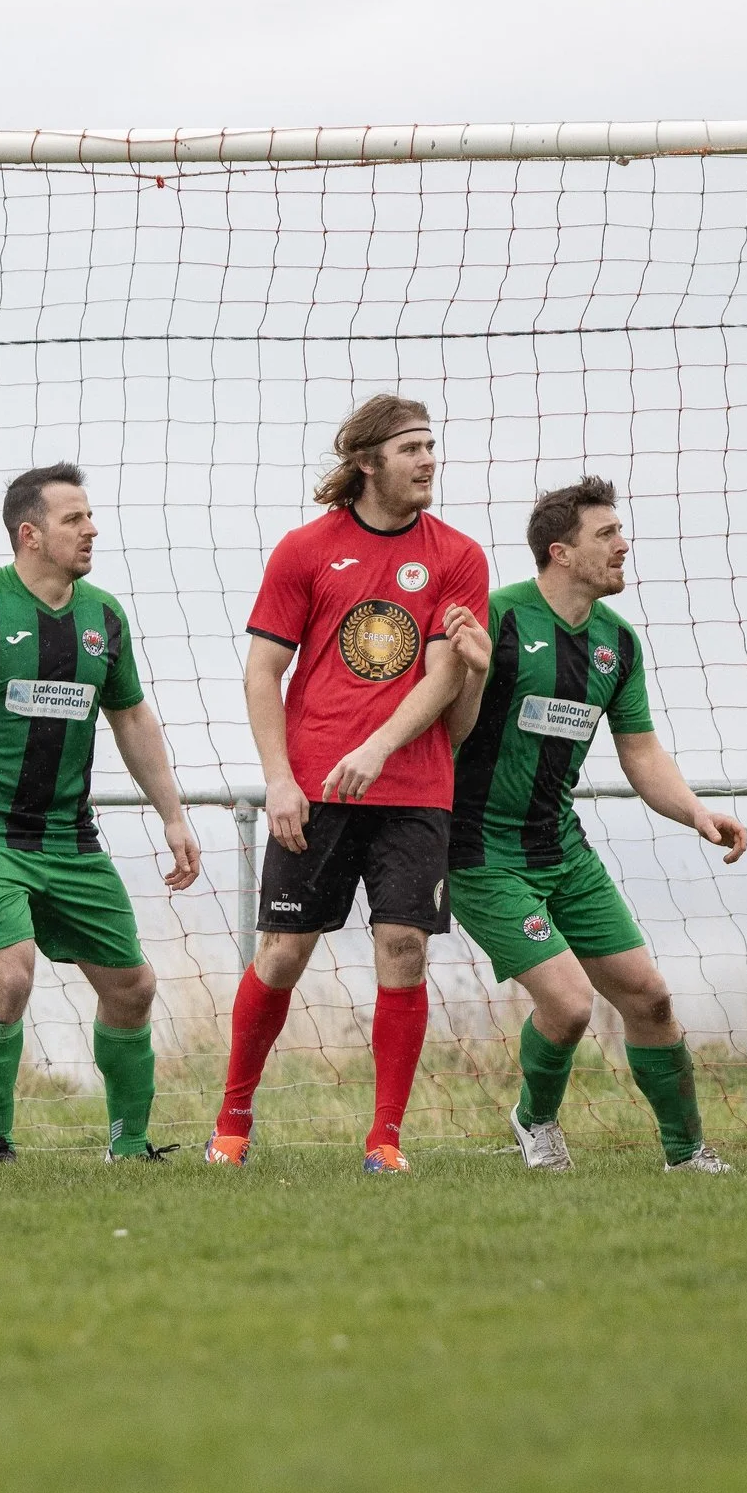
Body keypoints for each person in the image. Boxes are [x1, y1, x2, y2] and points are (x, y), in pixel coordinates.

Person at [0, 462, 201, 1164]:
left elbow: (132, 718)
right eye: (72, 519)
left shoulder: (104, 617)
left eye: (89, 516)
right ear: (30, 534)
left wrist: (173, 815)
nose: (90, 529)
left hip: (68, 837)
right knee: (12, 971)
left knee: (134, 987)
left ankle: (130, 1145)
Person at [207, 394, 490, 1173]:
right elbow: (264, 672)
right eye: (411, 448)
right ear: (368, 461)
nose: (428, 460)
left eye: (432, 445)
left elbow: (443, 675)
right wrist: (280, 780)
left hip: (415, 789)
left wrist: (379, 747)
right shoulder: (305, 549)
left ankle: (385, 1140)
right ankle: (232, 1123)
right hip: (315, 790)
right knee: (283, 954)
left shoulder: (458, 555)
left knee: (404, 948)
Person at [445, 475, 742, 1175]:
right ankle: (535, 1124)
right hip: (479, 849)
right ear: (561, 553)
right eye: (606, 535)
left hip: (562, 848)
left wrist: (697, 811)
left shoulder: (618, 643)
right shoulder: (497, 620)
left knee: (649, 995)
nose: (623, 545)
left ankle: (685, 1154)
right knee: (571, 1004)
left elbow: (639, 751)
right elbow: (439, 732)